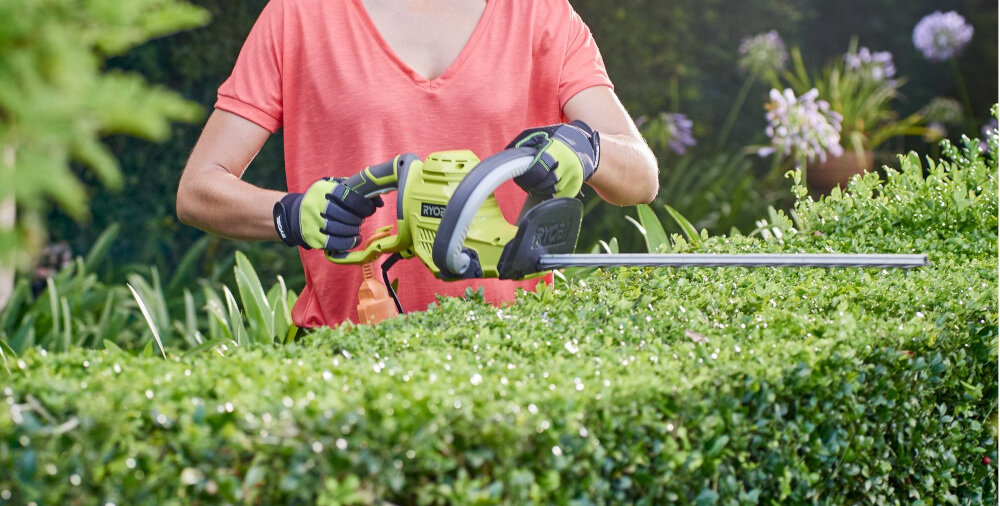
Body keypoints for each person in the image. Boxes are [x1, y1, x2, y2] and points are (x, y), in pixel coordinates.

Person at [176, 0, 659, 327]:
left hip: (514, 351)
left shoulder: (540, 14)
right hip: (345, 353)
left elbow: (641, 176)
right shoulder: (299, 14)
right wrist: (292, 213)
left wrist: (587, 149)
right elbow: (199, 189)